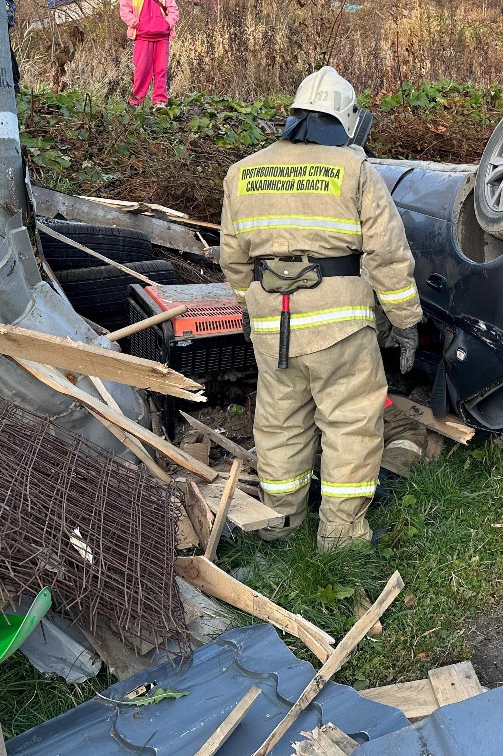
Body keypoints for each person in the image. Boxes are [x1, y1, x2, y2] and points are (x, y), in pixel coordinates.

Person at [219, 66, 422, 551]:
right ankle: (340, 539)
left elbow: (233, 260)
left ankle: (280, 525)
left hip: (274, 328)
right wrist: (406, 321)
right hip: (341, 328)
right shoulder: (355, 171)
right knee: (350, 425)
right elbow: (388, 254)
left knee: (279, 424)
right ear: (346, 120)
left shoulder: (242, 172)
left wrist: (255, 307)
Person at [118, 0, 179, 108]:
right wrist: (136, 24)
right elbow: (124, 10)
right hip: (142, 37)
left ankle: (160, 101)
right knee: (141, 71)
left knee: (161, 70)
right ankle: (136, 102)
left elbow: (173, 9)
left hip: (162, 37)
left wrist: (167, 23)